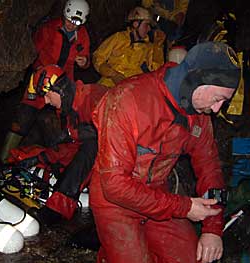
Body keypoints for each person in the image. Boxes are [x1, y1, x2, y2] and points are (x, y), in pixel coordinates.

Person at [89, 41, 241, 263]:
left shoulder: (198, 114)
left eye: (223, 102)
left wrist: (212, 229)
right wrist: (184, 207)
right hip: (115, 203)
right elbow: (114, 186)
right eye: (217, 99)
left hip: (158, 193)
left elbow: (210, 169)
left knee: (192, 259)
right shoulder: (126, 100)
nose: (217, 109)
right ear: (196, 80)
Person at [8, 64, 108, 225]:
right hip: (111, 155)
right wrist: (41, 158)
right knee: (66, 161)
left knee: (91, 147)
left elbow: (107, 134)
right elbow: (73, 146)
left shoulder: (94, 97)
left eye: (47, 95)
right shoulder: (71, 109)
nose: (46, 102)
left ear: (60, 89)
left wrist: (71, 134)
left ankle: (58, 210)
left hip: (134, 158)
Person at [0, 0, 91, 162]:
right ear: (64, 14)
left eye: (76, 23)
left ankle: (50, 162)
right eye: (69, 20)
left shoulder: (82, 35)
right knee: (23, 117)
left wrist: (85, 62)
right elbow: (32, 51)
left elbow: (86, 59)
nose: (71, 25)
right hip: (40, 81)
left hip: (62, 87)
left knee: (55, 124)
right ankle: (3, 160)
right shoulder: (49, 29)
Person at [92, 6, 165, 88]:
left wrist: (158, 46)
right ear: (136, 24)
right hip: (109, 83)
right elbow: (98, 57)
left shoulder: (148, 47)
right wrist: (113, 75)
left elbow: (156, 69)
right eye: (146, 25)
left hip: (133, 86)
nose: (148, 29)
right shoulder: (118, 38)